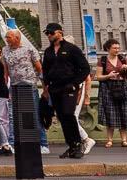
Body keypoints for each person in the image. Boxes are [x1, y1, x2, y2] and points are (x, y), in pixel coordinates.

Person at [40, 22, 95, 158]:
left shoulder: (72, 49)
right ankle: (71, 145)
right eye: (47, 33)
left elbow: (85, 68)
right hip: (54, 88)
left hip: (69, 87)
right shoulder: (48, 52)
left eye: (51, 33)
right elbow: (45, 70)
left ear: (60, 33)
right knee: (62, 117)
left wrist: (75, 83)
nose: (49, 35)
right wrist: (46, 87)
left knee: (69, 114)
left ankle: (78, 144)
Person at [2, 25, 49, 150]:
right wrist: (6, 86)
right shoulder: (5, 50)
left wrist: (45, 88)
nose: (7, 40)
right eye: (6, 38)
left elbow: (39, 68)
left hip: (29, 85)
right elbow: (5, 70)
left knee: (34, 114)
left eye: (9, 37)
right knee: (13, 116)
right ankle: (13, 143)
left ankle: (43, 143)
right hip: (14, 86)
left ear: (17, 38)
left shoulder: (29, 49)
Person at [96, 39, 127, 149]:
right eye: (114, 48)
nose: (117, 50)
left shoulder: (122, 59)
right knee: (110, 114)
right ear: (108, 48)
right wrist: (108, 76)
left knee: (123, 113)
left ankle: (124, 140)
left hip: (122, 87)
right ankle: (109, 140)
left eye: (118, 48)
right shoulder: (102, 60)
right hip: (107, 88)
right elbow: (98, 77)